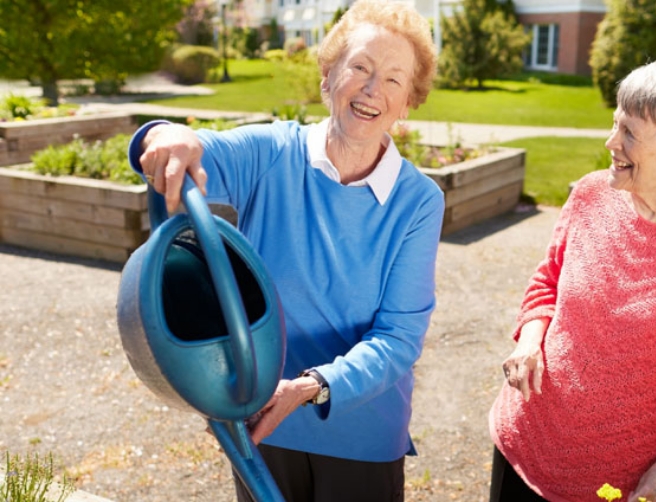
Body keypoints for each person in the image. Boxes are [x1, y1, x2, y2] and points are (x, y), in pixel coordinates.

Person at [127, 1, 443, 500]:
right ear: (327, 78)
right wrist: (165, 135)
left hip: (361, 434)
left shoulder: (418, 201)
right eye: (359, 67)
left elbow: (399, 337)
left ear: (408, 103)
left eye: (393, 79)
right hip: (261, 424)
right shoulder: (272, 153)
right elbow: (191, 147)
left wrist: (308, 387)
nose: (371, 89)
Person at [488, 57, 656, 502]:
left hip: (617, 482)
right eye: (616, 124)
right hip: (525, 438)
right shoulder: (591, 193)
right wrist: (530, 339)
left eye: (630, 133)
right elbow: (547, 280)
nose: (612, 141)